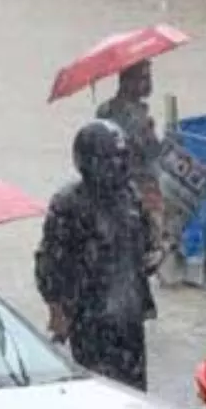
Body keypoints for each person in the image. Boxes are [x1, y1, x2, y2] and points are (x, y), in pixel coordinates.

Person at [35, 120, 157, 390]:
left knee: (136, 395)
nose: (118, 167)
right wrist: (57, 310)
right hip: (89, 318)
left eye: (121, 159)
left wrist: (157, 252)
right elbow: (49, 263)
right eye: (111, 160)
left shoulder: (130, 196)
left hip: (130, 316)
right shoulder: (69, 204)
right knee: (98, 392)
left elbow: (144, 248)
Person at [96, 61, 166, 251]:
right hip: (141, 188)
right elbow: (152, 153)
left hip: (114, 187)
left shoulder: (105, 109)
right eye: (144, 78)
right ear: (127, 81)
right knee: (153, 245)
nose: (149, 83)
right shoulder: (137, 118)